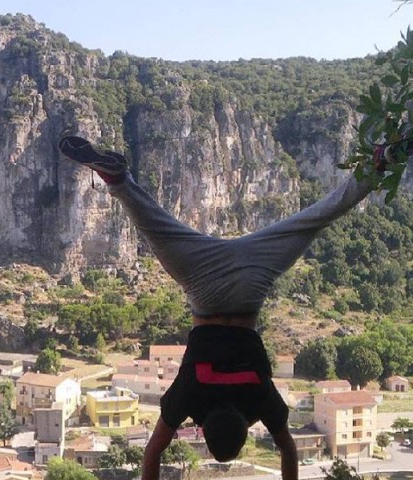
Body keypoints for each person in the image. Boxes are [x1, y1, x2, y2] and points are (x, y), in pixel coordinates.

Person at [58, 135, 384, 480]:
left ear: (246, 429)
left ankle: (379, 164)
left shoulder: (261, 401)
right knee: (152, 225)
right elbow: (153, 452)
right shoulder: (190, 396)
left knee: (316, 218)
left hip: (250, 284)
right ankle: (118, 180)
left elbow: (288, 450)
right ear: (200, 430)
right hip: (202, 284)